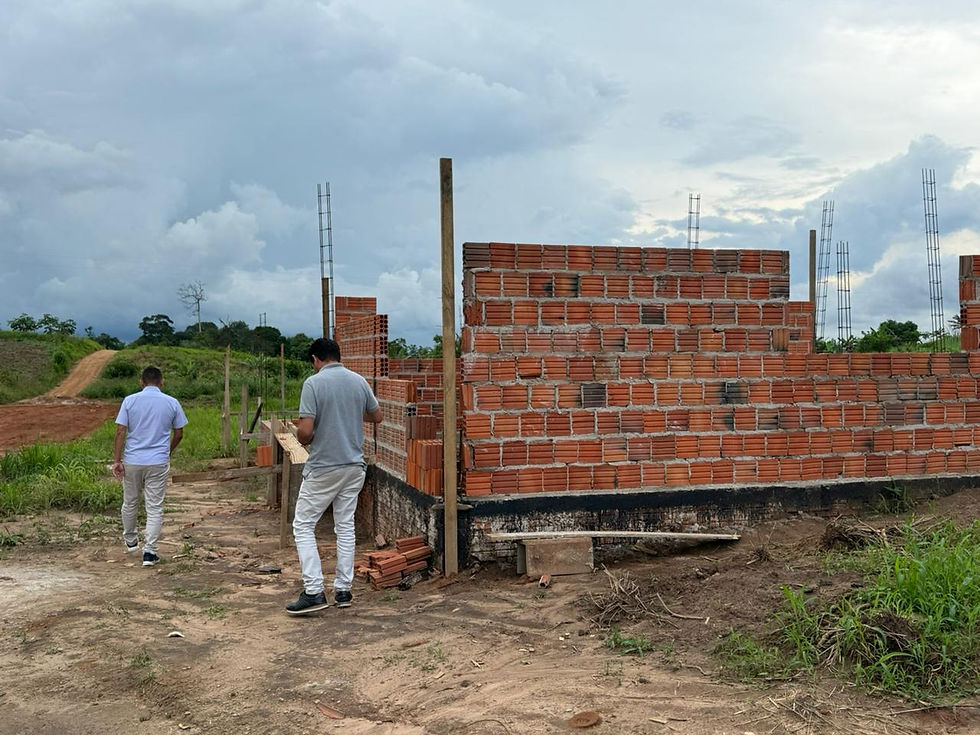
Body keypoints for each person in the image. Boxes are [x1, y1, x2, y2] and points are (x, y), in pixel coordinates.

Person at [286, 337, 383, 616]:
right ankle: (343, 590)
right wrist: (347, 414)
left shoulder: (313, 383)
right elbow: (377, 416)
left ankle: (314, 591)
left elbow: (305, 432)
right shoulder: (358, 381)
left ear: (316, 359)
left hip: (324, 468)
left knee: (303, 525)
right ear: (338, 356)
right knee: (345, 526)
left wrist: (300, 433)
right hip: (354, 467)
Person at [112, 366, 188, 567]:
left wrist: (117, 460)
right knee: (154, 507)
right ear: (161, 382)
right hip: (157, 461)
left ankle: (130, 540)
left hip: (133, 460)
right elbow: (179, 433)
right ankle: (150, 553)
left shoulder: (130, 401)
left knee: (130, 502)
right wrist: (167, 451)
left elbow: (120, 431)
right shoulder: (172, 402)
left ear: (141, 382)